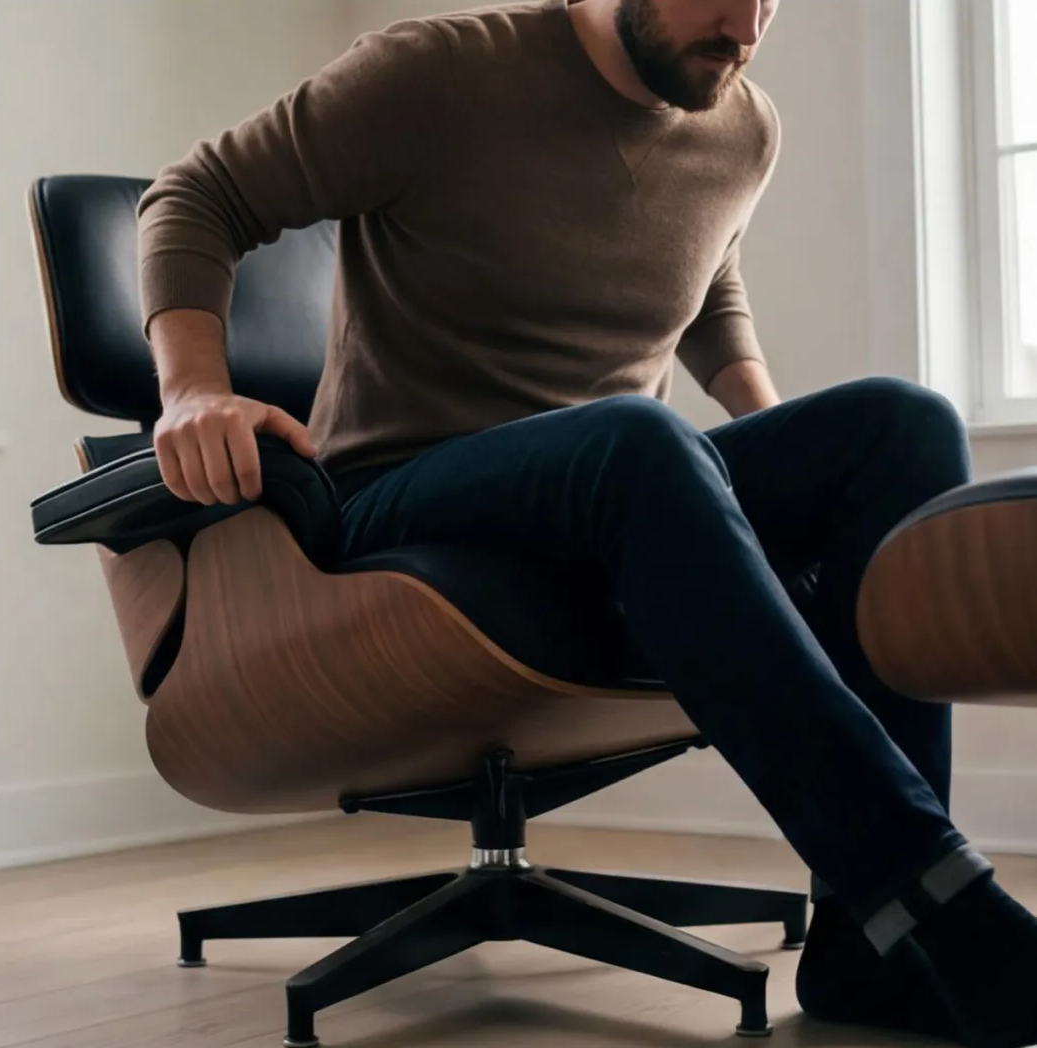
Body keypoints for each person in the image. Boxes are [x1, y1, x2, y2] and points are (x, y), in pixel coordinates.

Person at [136, 1, 1037, 1045]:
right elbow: (196, 193)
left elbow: (706, 281)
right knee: (640, 442)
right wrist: (193, 390)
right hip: (398, 504)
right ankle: (937, 900)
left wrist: (780, 437)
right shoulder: (434, 73)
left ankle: (869, 946)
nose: (744, 24)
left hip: (606, 491)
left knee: (899, 425)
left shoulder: (740, 123)